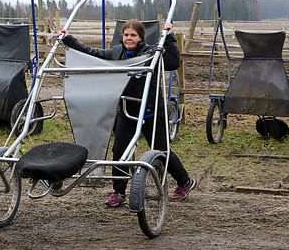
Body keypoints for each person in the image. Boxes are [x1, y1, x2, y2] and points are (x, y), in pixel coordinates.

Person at [60, 19, 195, 207]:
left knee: (161, 151)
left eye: (133, 35)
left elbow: (172, 62)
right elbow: (93, 54)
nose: (128, 38)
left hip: (151, 110)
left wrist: (170, 37)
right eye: (126, 35)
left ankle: (184, 182)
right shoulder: (116, 52)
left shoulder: (151, 53)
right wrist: (69, 40)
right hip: (126, 109)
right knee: (120, 150)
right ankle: (119, 191)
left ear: (140, 37)